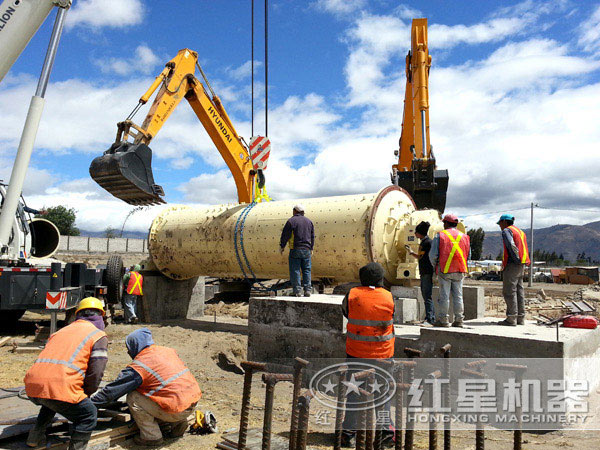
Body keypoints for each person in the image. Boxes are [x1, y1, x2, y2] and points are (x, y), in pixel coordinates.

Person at [91, 328, 202, 446]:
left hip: (175, 409)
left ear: (135, 346)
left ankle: (151, 437)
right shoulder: (167, 351)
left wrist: (89, 404)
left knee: (133, 397)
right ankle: (179, 425)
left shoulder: (140, 366)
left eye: (129, 348)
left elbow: (112, 392)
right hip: (191, 402)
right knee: (169, 390)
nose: (128, 352)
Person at [24, 298, 108, 450]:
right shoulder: (97, 335)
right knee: (88, 415)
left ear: (78, 315)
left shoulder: (60, 331)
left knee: (53, 399)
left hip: (32, 387)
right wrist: (86, 393)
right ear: (100, 316)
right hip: (60, 385)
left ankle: (34, 438)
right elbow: (96, 372)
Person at [340, 262, 395, 447]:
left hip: (356, 354)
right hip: (383, 356)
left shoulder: (352, 295)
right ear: (380, 279)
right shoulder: (388, 296)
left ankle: (348, 433)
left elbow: (346, 313)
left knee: (354, 393)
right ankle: (386, 434)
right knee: (383, 395)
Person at [429, 214, 471, 328]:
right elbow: (468, 255)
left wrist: (436, 266)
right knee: (458, 296)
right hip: (460, 269)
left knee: (444, 296)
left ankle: (444, 320)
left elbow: (433, 255)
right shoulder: (464, 237)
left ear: (446, 223)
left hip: (445, 270)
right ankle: (459, 320)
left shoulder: (440, 235)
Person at [497, 214, 530, 326]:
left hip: (513, 264)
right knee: (519, 291)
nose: (500, 226)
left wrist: (516, 259)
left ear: (504, 222)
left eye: (500, 223)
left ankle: (511, 318)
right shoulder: (520, 232)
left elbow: (511, 246)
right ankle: (520, 318)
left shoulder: (507, 231)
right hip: (522, 264)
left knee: (509, 291)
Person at [279, 204, 315, 297]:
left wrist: (282, 246)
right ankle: (307, 290)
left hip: (295, 249)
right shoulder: (309, 222)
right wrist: (311, 248)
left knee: (295, 270)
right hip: (306, 249)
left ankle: (297, 291)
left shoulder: (291, 221)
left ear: (295, 211)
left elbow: (285, 235)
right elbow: (312, 236)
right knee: (306, 270)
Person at [406, 221, 435, 325]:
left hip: (427, 272)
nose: (415, 234)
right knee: (425, 294)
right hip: (424, 272)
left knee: (427, 295)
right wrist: (412, 252)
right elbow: (420, 257)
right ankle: (430, 317)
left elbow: (426, 258)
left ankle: (430, 319)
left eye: (416, 232)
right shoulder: (425, 242)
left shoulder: (427, 243)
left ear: (420, 233)